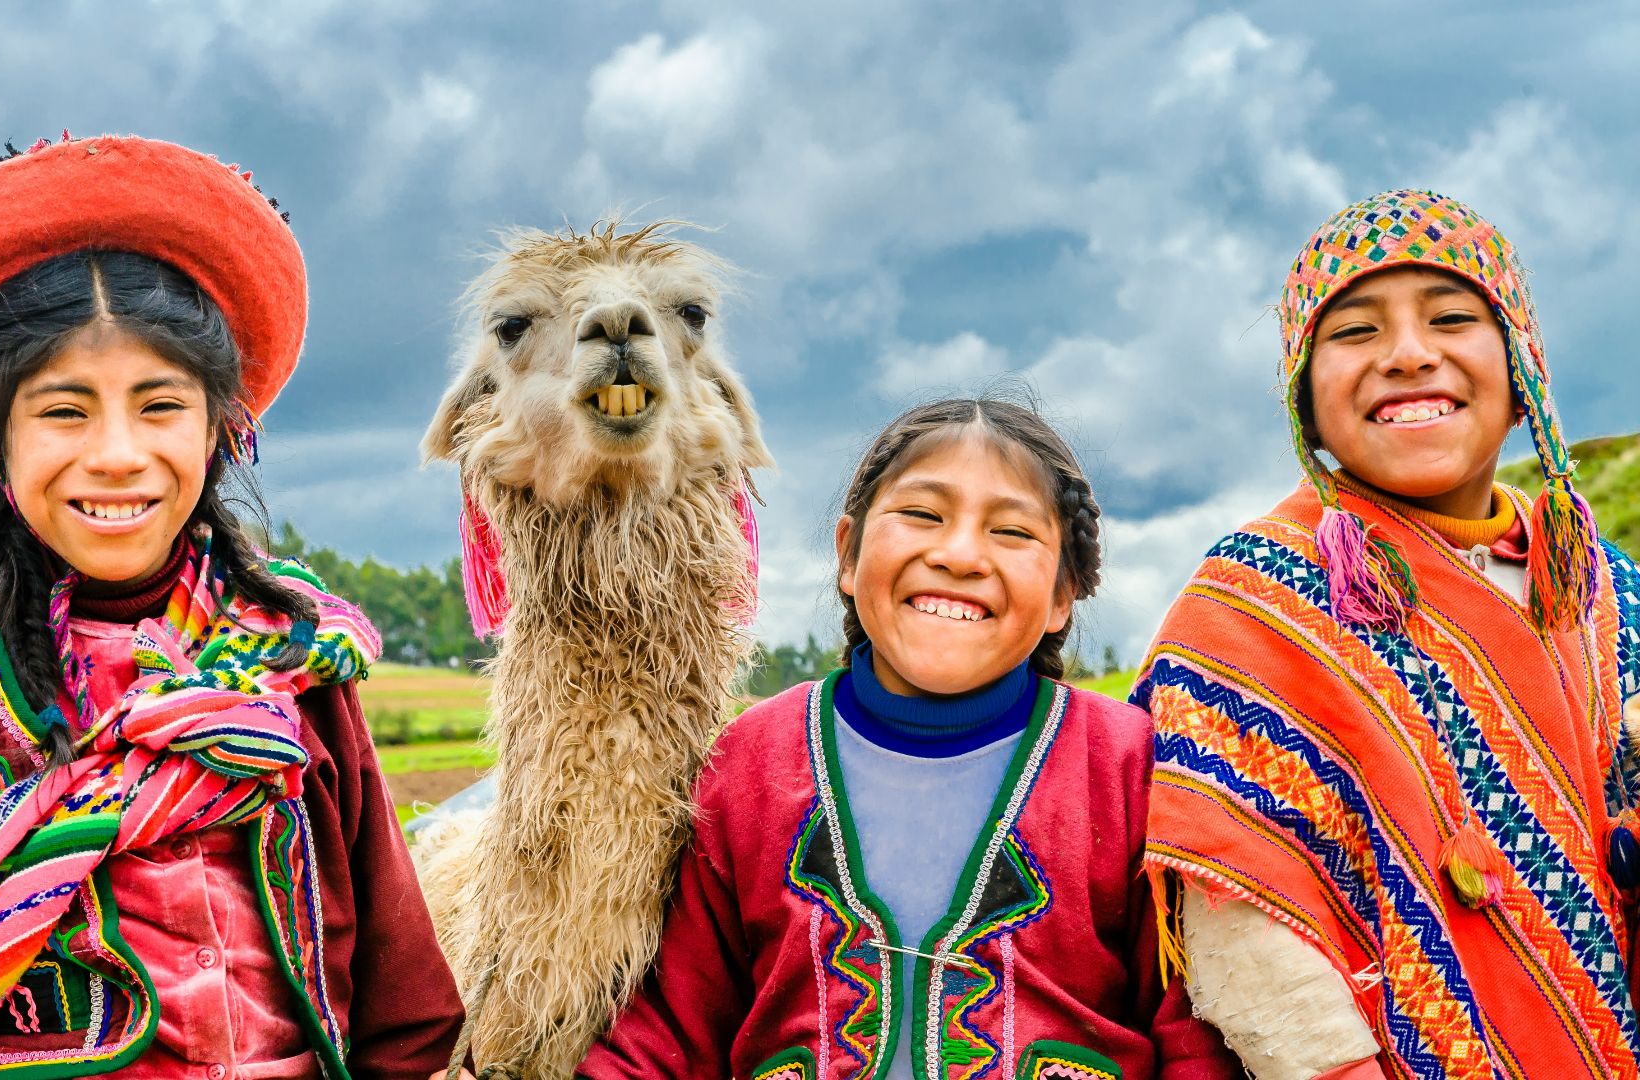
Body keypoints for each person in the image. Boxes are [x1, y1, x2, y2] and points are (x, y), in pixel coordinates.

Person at [0, 134, 463, 1080]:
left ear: (220, 430)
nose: (117, 453)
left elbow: (397, 978)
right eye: (65, 412)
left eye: (159, 407)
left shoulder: (288, 654)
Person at [576, 397, 1240, 1080]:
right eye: (923, 515)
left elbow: (1193, 1035)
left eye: (1011, 532)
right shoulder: (752, 763)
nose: (958, 555)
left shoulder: (1127, 765)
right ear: (847, 554)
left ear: (1063, 596)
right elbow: (670, 1030)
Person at [1140, 189, 1640, 1079]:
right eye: (1356, 332)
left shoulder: (1607, 594)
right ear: (1307, 402)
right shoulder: (1250, 608)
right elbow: (1245, 922)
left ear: (1524, 377)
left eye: (1452, 317)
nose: (1409, 355)